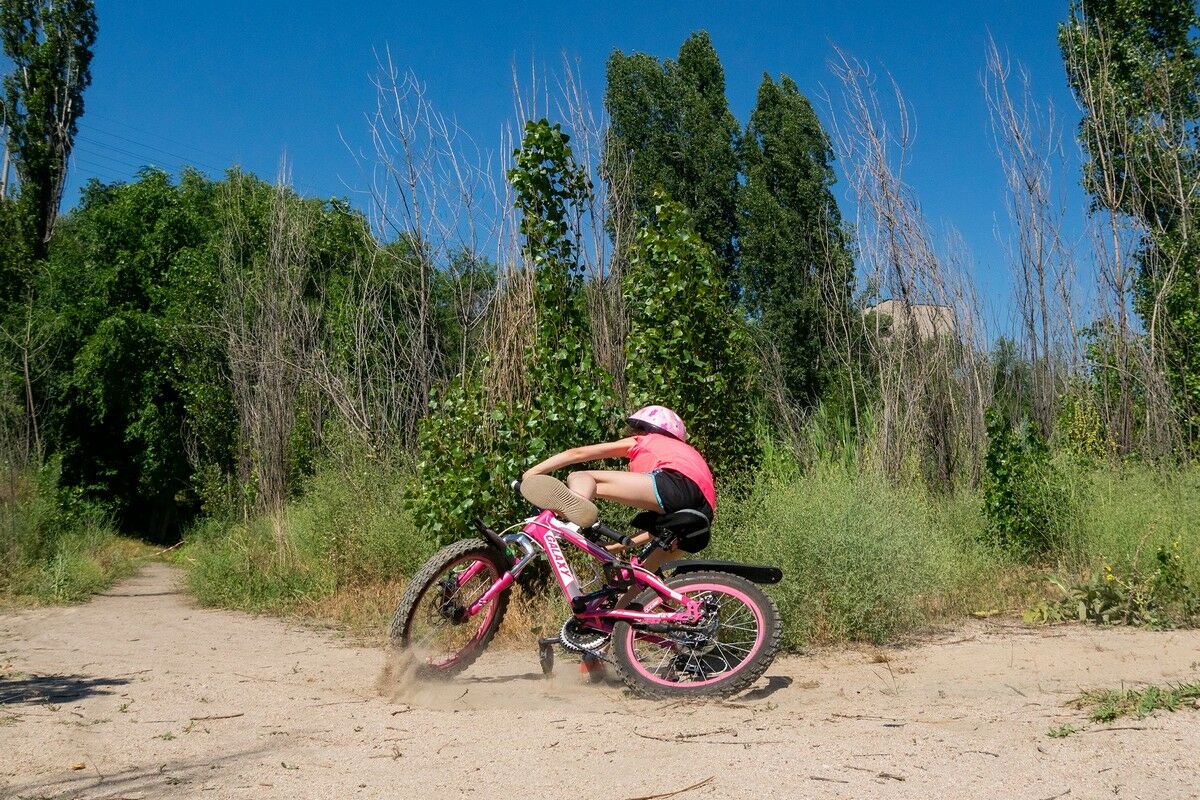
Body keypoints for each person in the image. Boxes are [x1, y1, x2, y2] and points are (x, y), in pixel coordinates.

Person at [521, 405, 716, 573]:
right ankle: (630, 607)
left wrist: (531, 473)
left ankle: (575, 503)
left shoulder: (648, 440)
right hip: (700, 519)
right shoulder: (690, 454)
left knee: (582, 477)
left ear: (645, 429)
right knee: (642, 580)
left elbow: (577, 453)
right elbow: (657, 530)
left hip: (673, 485)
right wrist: (616, 546)